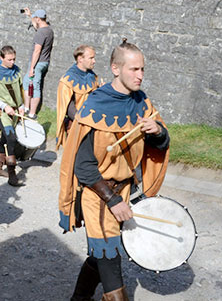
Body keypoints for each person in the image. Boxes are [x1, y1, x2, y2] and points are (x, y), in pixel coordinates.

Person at [59, 39, 170, 301]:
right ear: (116, 68)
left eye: (142, 69)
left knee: (101, 256)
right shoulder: (93, 107)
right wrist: (113, 200)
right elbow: (83, 166)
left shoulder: (142, 103)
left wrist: (157, 132)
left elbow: (161, 143)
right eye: (134, 69)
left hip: (124, 191)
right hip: (99, 195)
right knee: (110, 254)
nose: (140, 75)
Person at [0, 46, 26, 187]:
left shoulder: (16, 72)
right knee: (11, 138)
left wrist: (21, 106)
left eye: (14, 59)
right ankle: (12, 173)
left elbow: (19, 90)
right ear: (1, 58)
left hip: (14, 111)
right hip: (2, 112)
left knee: (6, 138)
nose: (12, 62)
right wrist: (4, 106)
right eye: (9, 60)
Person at [55, 45, 99, 150]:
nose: (94, 61)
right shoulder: (68, 80)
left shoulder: (92, 77)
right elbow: (68, 106)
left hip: (91, 124)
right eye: (91, 58)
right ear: (80, 59)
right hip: (76, 125)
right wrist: (81, 120)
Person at [21, 8, 54, 118]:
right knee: (26, 83)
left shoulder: (40, 33)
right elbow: (37, 26)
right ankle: (26, 107)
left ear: (39, 19)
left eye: (35, 18)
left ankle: (31, 113)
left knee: (35, 87)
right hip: (44, 62)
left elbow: (37, 50)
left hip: (37, 63)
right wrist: (30, 15)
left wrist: (32, 68)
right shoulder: (48, 30)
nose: (34, 20)